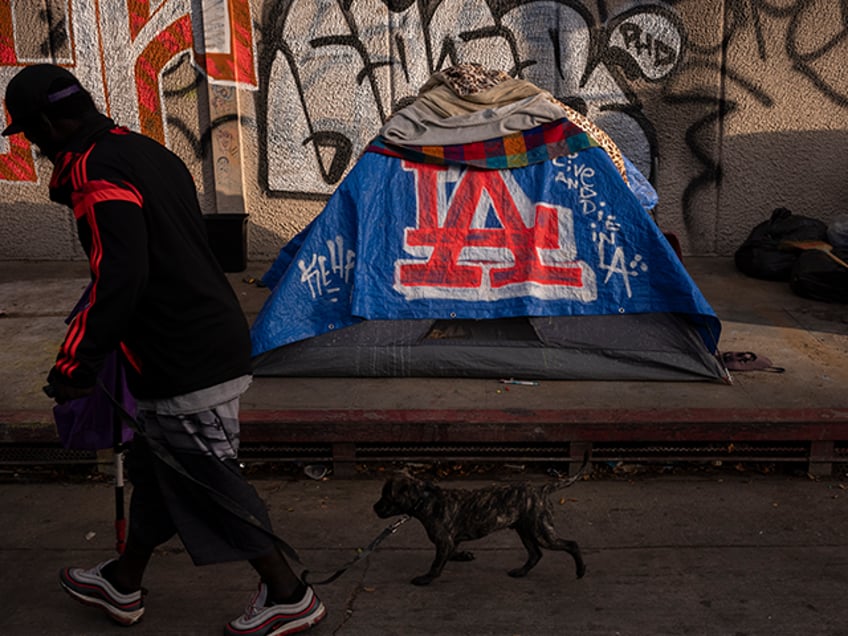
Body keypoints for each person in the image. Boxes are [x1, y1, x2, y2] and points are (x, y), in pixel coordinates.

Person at [2, 64, 326, 635]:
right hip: (192, 339)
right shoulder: (141, 151)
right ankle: (123, 581)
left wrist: (77, 360)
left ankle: (288, 592)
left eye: (30, 133)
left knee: (205, 476)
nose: (33, 145)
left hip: (184, 353)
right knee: (159, 468)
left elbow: (119, 275)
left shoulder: (95, 170)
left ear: (51, 123)